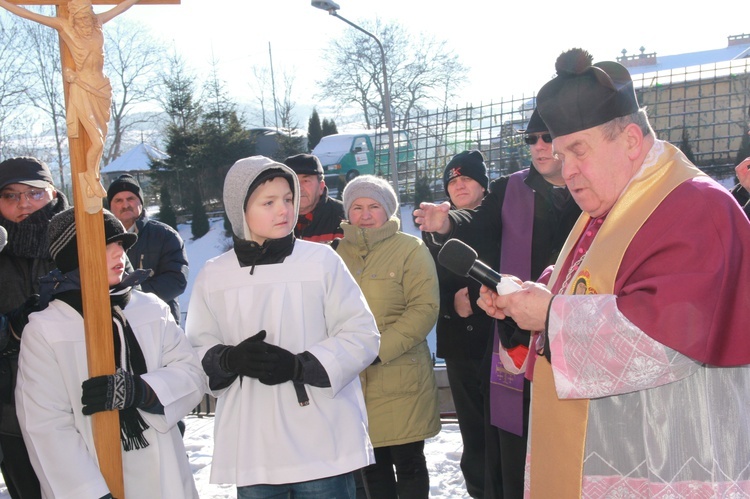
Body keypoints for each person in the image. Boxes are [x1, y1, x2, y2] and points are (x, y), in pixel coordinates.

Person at [477, 48, 750, 498]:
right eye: (561, 155)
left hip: (668, 460)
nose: (567, 171)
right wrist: (529, 298)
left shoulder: (697, 206)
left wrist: (550, 315)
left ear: (629, 140)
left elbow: (665, 338)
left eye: (577, 151)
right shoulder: (610, 206)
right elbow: (593, 286)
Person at [187, 156, 380, 498]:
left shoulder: (320, 261)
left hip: (319, 438)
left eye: (288, 199)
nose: (284, 210)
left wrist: (299, 366)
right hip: (253, 443)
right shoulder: (214, 274)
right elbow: (194, 349)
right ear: (240, 210)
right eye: (269, 202)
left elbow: (362, 334)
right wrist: (229, 360)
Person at [415, 112, 581, 499]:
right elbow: (475, 220)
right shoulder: (512, 190)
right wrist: (446, 224)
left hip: (576, 336)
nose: (539, 146)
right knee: (509, 450)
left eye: (547, 136)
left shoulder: (592, 187)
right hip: (518, 343)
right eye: (530, 138)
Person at [15, 208, 205, 498]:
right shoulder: (46, 330)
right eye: (108, 245)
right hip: (92, 475)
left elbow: (191, 374)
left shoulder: (150, 308)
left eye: (121, 245)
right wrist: (90, 492)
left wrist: (141, 390)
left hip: (163, 475)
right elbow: (45, 424)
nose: (120, 254)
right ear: (75, 256)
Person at [336, 175, 440, 499]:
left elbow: (424, 308)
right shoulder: (336, 255)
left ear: (388, 210)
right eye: (357, 207)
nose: (365, 214)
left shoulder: (411, 249)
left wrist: (377, 350)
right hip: (354, 381)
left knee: (408, 464)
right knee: (371, 470)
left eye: (373, 206)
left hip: (401, 377)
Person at [0, 0, 141, 209]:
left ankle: (92, 176)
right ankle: (91, 177)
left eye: (87, 16)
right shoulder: (66, 26)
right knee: (98, 140)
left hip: (101, 88)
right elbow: (30, 15)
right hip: (82, 86)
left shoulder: (98, 24)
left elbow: (122, 6)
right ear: (74, 17)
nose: (85, 21)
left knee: (101, 137)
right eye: (81, 18)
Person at [0, 156, 70, 499]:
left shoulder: (84, 240)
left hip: (77, 401)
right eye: (10, 195)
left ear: (53, 193)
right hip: (10, 410)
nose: (23, 203)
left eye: (34, 192)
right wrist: (9, 327)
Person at [423, 150, 491, 498]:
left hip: (499, 341)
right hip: (459, 345)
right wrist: (451, 306)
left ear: (483, 185)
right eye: (452, 180)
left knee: (503, 431)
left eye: (466, 178)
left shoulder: (500, 216)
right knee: (473, 434)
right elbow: (427, 287)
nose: (459, 185)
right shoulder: (434, 226)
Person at [107, 174, 188, 324]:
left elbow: (176, 281)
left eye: (130, 198)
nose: (125, 205)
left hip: (159, 323)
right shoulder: (98, 241)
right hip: (117, 324)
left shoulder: (165, 236)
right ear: (110, 206)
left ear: (141, 202)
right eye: (118, 200)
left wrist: (133, 296)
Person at [283, 153, 345, 243]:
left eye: (306, 181)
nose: (299, 187)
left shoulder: (343, 219)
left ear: (321, 187)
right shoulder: (274, 219)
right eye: (293, 181)